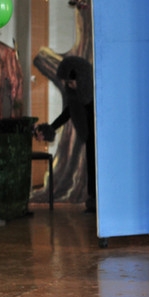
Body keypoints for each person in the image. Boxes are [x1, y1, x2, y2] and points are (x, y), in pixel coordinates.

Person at [34, 55, 96, 212]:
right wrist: (50, 129)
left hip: (101, 138)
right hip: (90, 138)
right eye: (67, 83)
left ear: (81, 79)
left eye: (71, 82)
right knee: (91, 168)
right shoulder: (76, 98)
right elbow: (67, 114)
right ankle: (93, 201)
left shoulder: (97, 95)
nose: (69, 86)